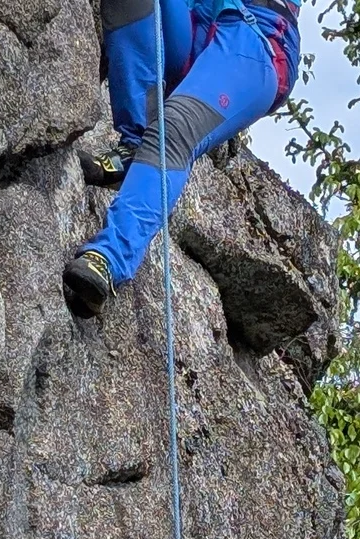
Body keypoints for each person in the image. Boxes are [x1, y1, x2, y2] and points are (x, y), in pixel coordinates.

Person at [62, 0, 302, 317]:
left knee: (174, 129)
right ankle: (134, 144)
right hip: (195, 18)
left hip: (255, 34)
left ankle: (110, 257)